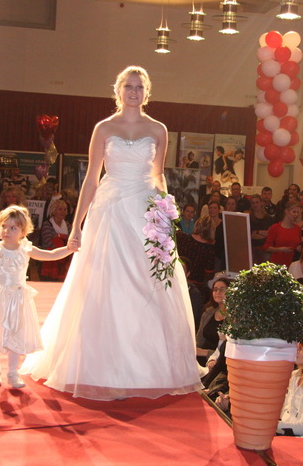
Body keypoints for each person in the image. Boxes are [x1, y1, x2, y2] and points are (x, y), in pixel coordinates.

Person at [21, 66, 201, 400]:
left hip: (145, 210)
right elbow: (92, 178)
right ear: (117, 90)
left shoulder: (158, 129)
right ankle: (102, 365)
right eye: (128, 86)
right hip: (111, 210)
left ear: (147, 92)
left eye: (139, 87)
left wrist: (165, 212)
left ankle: (150, 366)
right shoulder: (104, 128)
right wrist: (77, 224)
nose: (133, 91)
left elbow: (159, 175)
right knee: (107, 282)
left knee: (149, 282)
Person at [0, 206, 72, 388]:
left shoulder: (26, 249)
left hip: (17, 299)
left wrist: (69, 249)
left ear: (23, 232)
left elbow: (50, 255)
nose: (6, 231)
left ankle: (13, 372)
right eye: (4, 226)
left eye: (13, 228)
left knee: (15, 334)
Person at [196, 276, 228, 364]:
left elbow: (228, 349)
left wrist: (205, 352)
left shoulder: (234, 316)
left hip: (220, 361)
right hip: (201, 357)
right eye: (215, 289)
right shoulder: (208, 312)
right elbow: (199, 339)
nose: (218, 292)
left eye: (222, 290)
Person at [38, 199, 72, 281]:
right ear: (54, 211)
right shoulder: (47, 224)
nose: (63, 212)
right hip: (50, 261)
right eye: (60, 209)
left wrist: (59, 236)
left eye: (65, 209)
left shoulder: (67, 225)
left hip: (65, 260)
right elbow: (47, 242)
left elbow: (71, 239)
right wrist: (60, 252)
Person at [263, 199, 302, 267]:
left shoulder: (297, 228)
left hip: (293, 264)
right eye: (294, 212)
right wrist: (280, 249)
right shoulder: (275, 227)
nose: (296, 214)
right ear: (286, 211)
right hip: (278, 263)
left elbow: (298, 244)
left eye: (298, 212)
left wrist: (299, 248)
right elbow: (266, 247)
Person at [248, 195, 274, 264]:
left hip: (266, 249)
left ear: (261, 203)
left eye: (257, 202)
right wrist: (263, 233)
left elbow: (269, 234)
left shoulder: (268, 218)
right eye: (253, 203)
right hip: (252, 249)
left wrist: (256, 232)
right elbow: (250, 235)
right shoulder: (248, 218)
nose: (255, 205)